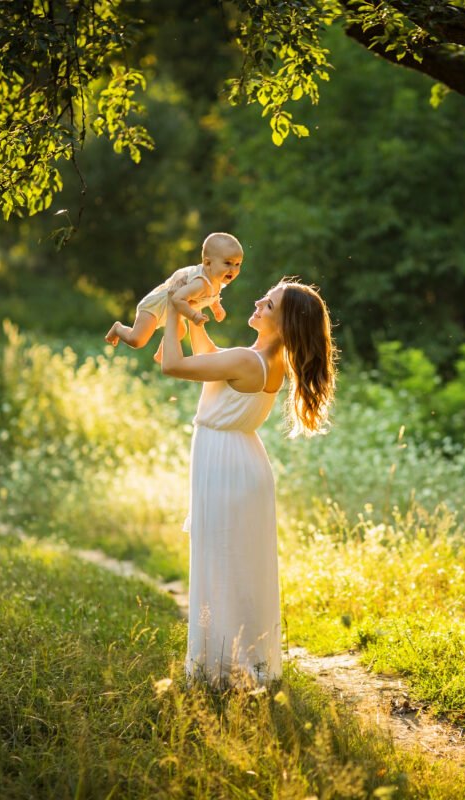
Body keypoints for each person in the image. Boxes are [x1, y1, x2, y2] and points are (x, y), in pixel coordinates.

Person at [160, 277, 337, 687]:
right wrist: (194, 318)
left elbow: (172, 365)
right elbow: (211, 363)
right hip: (239, 464)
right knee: (231, 567)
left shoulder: (247, 360)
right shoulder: (259, 359)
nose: (258, 301)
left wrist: (172, 309)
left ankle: (221, 670)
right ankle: (235, 663)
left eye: (270, 305)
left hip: (228, 468)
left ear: (285, 324)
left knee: (223, 565)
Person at [105, 232, 244, 362]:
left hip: (174, 311)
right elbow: (177, 298)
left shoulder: (216, 280)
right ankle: (118, 328)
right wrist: (194, 316)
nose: (233, 269)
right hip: (157, 306)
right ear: (207, 263)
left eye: (237, 264)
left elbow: (212, 295)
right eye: (228, 263)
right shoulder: (200, 283)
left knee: (180, 331)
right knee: (137, 341)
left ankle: (161, 354)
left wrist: (216, 307)